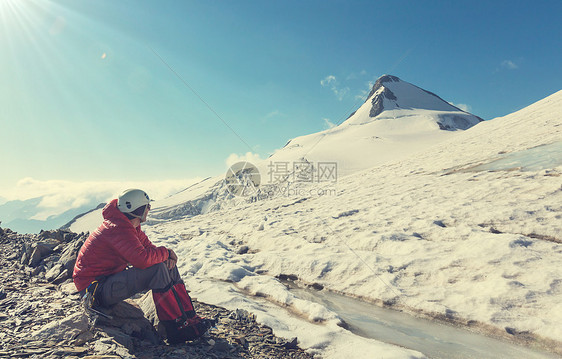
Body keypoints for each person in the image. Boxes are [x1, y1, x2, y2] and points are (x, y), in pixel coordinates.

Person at [73, 189, 214, 343]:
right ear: (138, 209)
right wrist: (166, 252)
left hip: (104, 283)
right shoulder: (117, 229)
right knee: (158, 268)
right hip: (95, 291)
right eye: (147, 206)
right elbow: (142, 260)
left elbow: (149, 249)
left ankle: (189, 318)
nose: (149, 209)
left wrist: (166, 255)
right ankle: (176, 329)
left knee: (166, 265)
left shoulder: (128, 225)